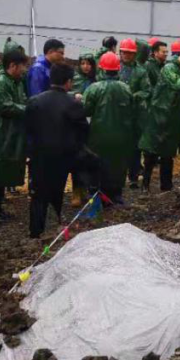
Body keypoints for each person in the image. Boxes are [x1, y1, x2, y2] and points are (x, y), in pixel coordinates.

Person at [25, 64, 89, 238]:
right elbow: (83, 130)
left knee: (38, 194)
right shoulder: (73, 104)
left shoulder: (35, 101)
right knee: (57, 191)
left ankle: (35, 231)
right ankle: (54, 227)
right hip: (63, 156)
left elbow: (27, 128)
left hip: (39, 155)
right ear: (68, 82)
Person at [140, 47, 180, 191]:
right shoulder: (169, 69)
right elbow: (176, 82)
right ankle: (145, 185)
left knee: (167, 153)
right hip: (158, 116)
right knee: (151, 152)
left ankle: (166, 186)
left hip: (171, 118)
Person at [84, 52, 137, 204]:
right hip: (121, 135)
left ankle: (97, 194)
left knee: (98, 163)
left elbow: (86, 110)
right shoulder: (126, 88)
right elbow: (132, 110)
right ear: (117, 69)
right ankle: (116, 194)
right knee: (118, 164)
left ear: (101, 69)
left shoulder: (94, 88)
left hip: (98, 135)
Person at [0, 47, 29, 222]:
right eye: (23, 66)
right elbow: (6, 107)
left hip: (10, 130)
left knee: (4, 168)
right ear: (13, 65)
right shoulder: (0, 82)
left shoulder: (15, 81)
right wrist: (29, 109)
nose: (24, 70)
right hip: (0, 131)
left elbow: (20, 101)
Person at [118, 38, 151, 187]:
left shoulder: (141, 71)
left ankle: (133, 177)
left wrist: (133, 96)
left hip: (134, 114)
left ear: (134, 54)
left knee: (134, 148)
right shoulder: (115, 68)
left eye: (129, 53)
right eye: (124, 52)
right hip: (117, 113)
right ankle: (118, 176)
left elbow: (147, 90)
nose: (126, 55)